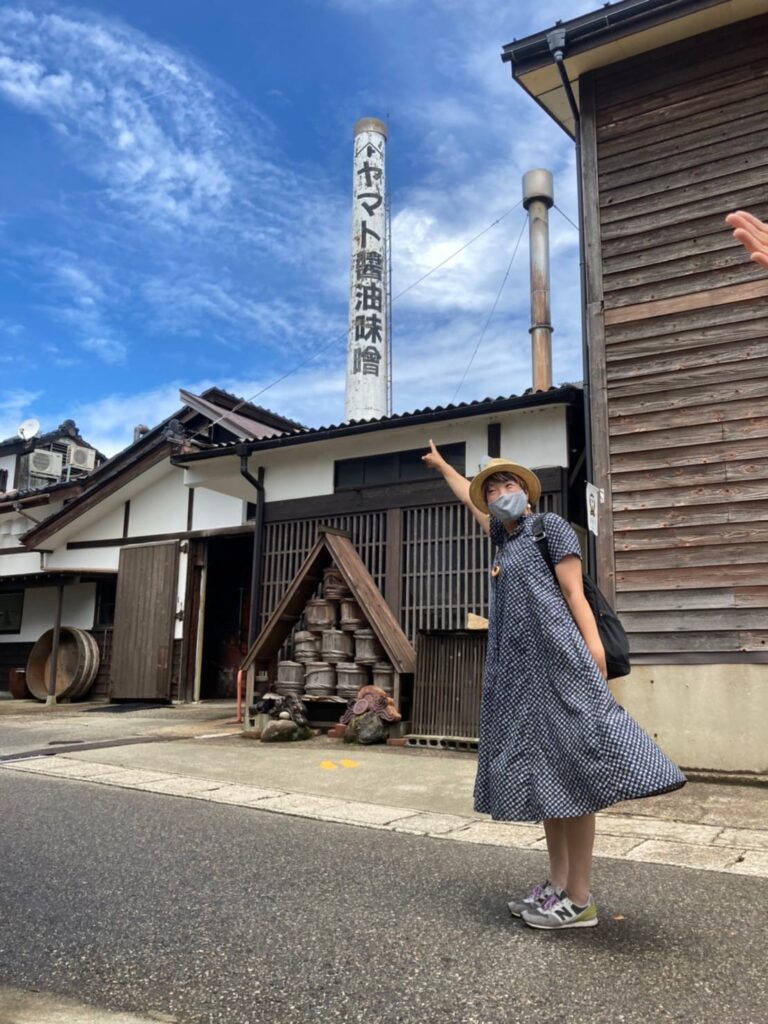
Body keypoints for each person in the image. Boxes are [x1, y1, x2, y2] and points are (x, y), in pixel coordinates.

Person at [421, 442, 686, 930]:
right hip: (521, 676)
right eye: (493, 488)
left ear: (527, 492)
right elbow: (467, 497)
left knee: (573, 773)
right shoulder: (503, 539)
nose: (501, 492)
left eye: (509, 484)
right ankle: (558, 885)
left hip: (562, 663)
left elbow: (573, 593)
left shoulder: (550, 528)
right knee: (549, 779)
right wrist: (442, 467)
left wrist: (595, 653)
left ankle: (579, 899)